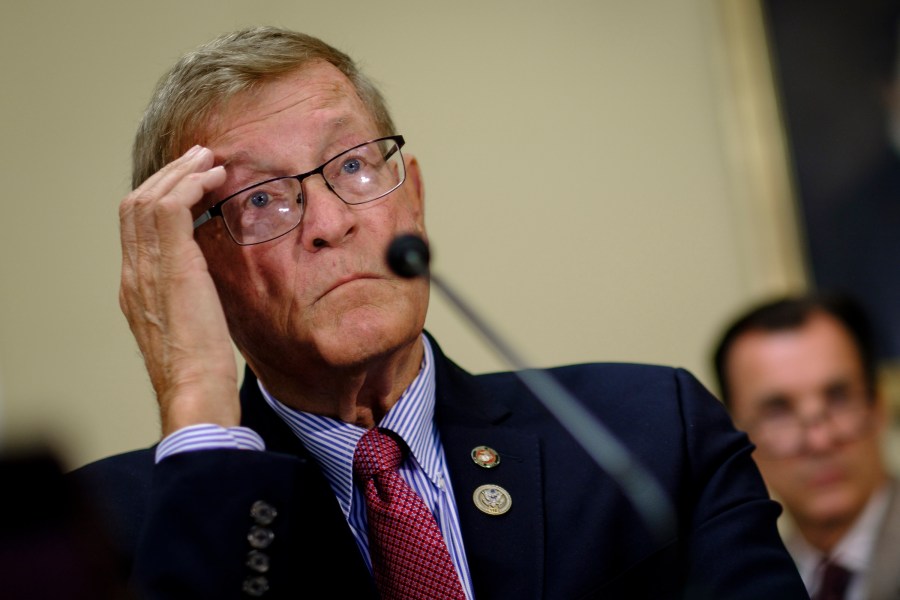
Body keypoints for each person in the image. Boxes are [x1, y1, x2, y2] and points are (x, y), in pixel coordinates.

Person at [71, 26, 807, 599]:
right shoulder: (103, 530)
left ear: (412, 200)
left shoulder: (650, 433)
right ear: (193, 268)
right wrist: (197, 397)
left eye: (354, 165)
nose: (330, 221)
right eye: (261, 198)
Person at [712, 293, 900, 599]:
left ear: (877, 406)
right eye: (778, 411)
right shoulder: (744, 584)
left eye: (839, 397)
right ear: (736, 437)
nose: (820, 440)